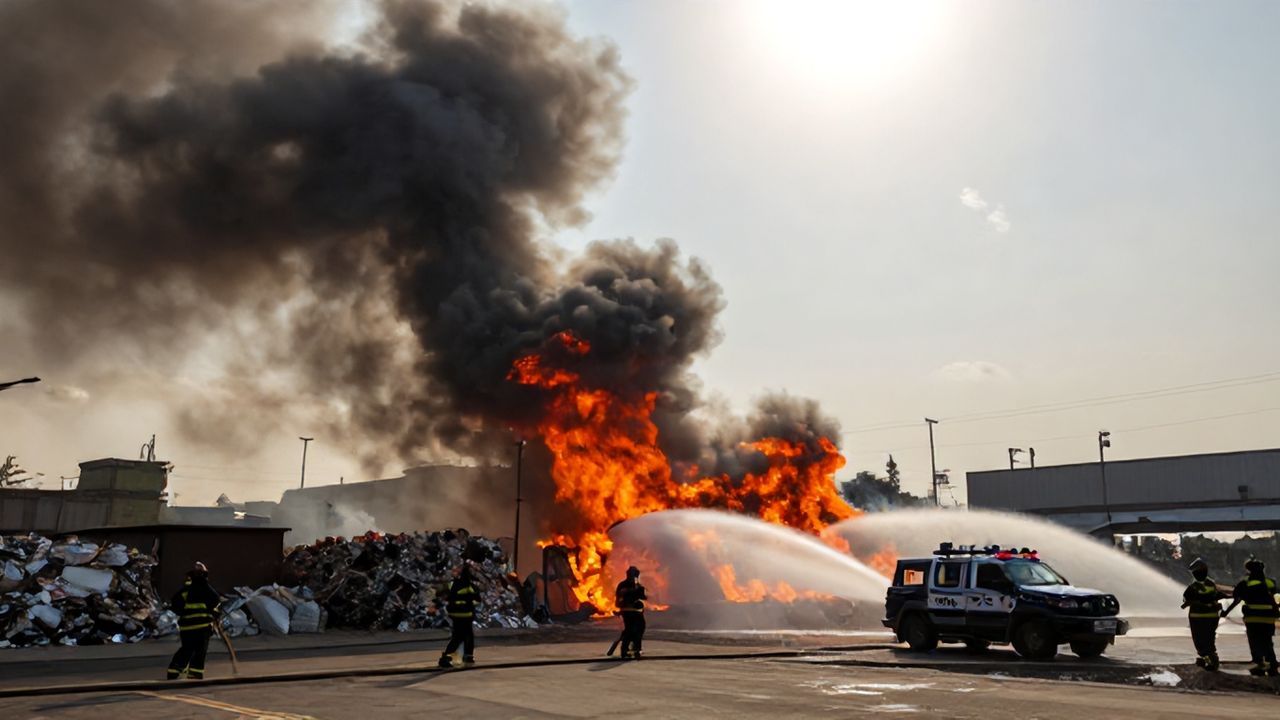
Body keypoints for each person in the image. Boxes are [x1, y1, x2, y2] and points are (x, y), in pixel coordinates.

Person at [1221, 557, 1279, 677]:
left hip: (1252, 618)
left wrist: (1225, 612)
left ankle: (1259, 666)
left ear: (1248, 570)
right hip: (1268, 618)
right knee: (1267, 642)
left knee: (1255, 643)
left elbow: (1236, 600)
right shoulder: (1270, 582)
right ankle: (1272, 666)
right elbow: (1274, 597)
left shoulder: (1245, 583)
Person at [167, 561, 221, 680]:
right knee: (200, 651)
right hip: (202, 627)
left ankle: (174, 669)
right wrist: (215, 613)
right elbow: (215, 601)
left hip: (186, 627)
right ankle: (195, 673)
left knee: (187, 648)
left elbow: (175, 604)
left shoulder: (185, 591)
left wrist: (184, 612)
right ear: (204, 575)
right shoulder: (206, 589)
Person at [1180, 557, 1224, 671]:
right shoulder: (1211, 584)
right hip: (1212, 617)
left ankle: (1209, 660)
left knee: (1200, 641)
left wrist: (1189, 603)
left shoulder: (1193, 587)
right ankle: (1210, 658)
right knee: (1209, 639)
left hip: (1197, 618)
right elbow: (1216, 596)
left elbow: (1186, 599)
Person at [438, 563, 479, 668]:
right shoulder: (471, 586)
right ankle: (448, 657)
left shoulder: (452, 584)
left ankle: (466, 656)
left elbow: (442, 594)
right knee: (464, 636)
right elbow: (477, 600)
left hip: (455, 615)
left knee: (460, 636)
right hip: (466, 615)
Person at [615, 566, 647, 659]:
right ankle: (634, 649)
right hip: (631, 612)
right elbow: (620, 600)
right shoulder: (628, 586)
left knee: (631, 630)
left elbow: (642, 597)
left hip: (632, 612)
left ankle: (627, 649)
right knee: (636, 629)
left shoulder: (624, 585)